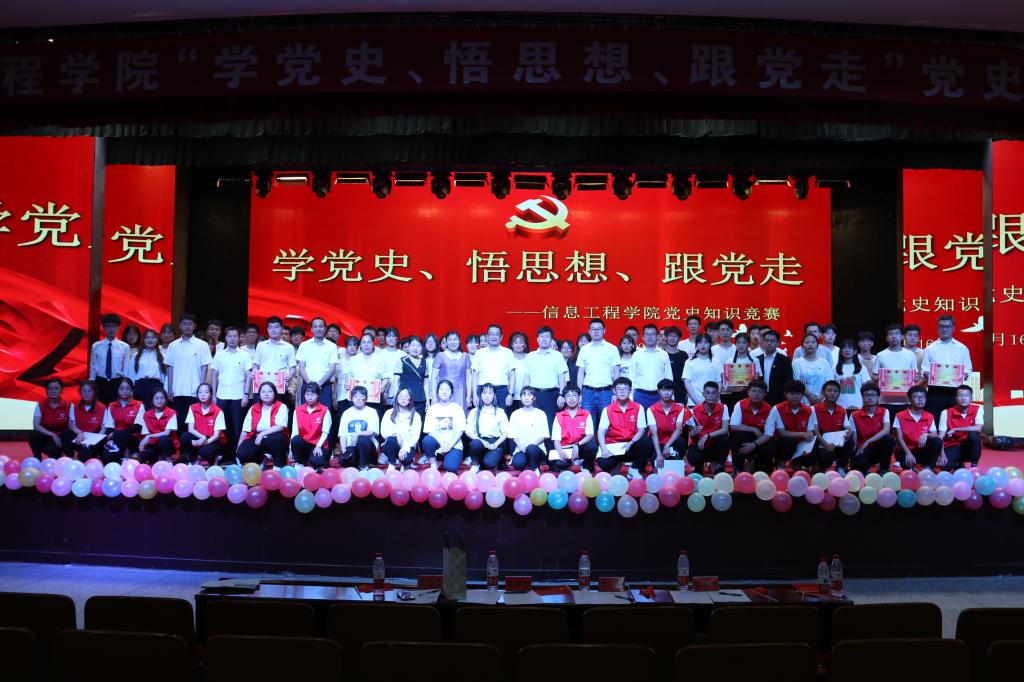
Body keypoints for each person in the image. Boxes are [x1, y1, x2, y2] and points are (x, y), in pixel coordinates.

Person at [208, 326, 253, 457]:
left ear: (239, 338)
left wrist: (246, 395)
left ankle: (236, 454)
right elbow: (214, 375)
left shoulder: (245, 355)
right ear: (226, 338)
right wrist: (214, 395)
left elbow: (248, 376)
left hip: (238, 396)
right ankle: (225, 454)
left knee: (237, 426)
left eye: (235, 336)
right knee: (223, 426)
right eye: (230, 336)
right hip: (221, 395)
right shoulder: (219, 355)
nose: (232, 338)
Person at [596, 377, 654, 477]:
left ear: (630, 391)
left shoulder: (638, 407)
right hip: (615, 446)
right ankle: (616, 465)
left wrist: (631, 442)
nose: (622, 391)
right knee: (603, 462)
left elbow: (641, 429)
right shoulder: (607, 409)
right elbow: (601, 431)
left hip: (631, 445)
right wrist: (604, 449)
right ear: (614, 391)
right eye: (619, 389)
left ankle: (634, 468)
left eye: (625, 389)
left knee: (648, 442)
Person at [165, 312, 213, 434]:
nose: (187, 326)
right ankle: (179, 446)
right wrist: (169, 388)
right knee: (179, 422)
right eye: (184, 324)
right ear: (180, 325)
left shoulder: (202, 345)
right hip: (177, 390)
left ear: (194, 326)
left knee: (194, 423)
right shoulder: (173, 345)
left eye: (190, 324)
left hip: (194, 391)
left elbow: (204, 368)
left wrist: (201, 389)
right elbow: (170, 368)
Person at [920, 315, 973, 423]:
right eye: (941, 326)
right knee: (934, 421)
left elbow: (968, 369)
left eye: (948, 326)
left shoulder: (962, 348)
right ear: (937, 328)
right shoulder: (930, 348)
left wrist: (963, 374)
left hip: (955, 392)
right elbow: (924, 369)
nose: (945, 329)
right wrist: (926, 374)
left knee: (954, 422)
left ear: (953, 328)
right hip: (935, 392)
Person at [522, 325, 570, 429]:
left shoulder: (558, 355)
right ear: (537, 339)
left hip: (552, 395)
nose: (544, 339)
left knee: (550, 424)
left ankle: (550, 441)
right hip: (534, 395)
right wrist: (525, 395)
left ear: (551, 339)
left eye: (547, 337)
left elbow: (561, 377)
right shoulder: (530, 356)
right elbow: (527, 377)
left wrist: (561, 395)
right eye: (541, 336)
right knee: (533, 424)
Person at [764, 380, 817, 471]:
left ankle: (797, 462)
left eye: (798, 394)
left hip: (801, 444)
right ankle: (781, 465)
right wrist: (803, 434)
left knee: (813, 454)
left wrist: (808, 438)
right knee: (788, 441)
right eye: (792, 394)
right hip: (782, 443)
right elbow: (782, 433)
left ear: (802, 395)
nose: (795, 396)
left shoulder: (809, 410)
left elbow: (809, 432)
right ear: (786, 394)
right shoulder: (777, 409)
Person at [577, 319, 620, 429]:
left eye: (599, 329)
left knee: (607, 425)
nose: (596, 331)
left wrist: (616, 393)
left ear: (604, 330)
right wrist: (579, 394)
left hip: (606, 392)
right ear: (589, 331)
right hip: (587, 393)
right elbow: (580, 373)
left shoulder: (612, 349)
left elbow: (616, 372)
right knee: (588, 426)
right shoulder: (584, 349)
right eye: (593, 329)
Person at [237, 382, 289, 467]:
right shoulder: (253, 408)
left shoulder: (281, 406)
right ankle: (262, 459)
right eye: (263, 392)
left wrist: (262, 434)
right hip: (257, 438)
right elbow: (245, 430)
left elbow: (280, 427)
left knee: (277, 439)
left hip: (273, 438)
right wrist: (238, 448)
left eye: (270, 391)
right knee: (242, 453)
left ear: (275, 393)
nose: (266, 394)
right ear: (259, 394)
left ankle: (278, 464)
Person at [729, 379, 776, 473]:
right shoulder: (740, 404)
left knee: (769, 444)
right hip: (745, 434)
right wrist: (754, 429)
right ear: (748, 392)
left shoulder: (770, 409)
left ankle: (761, 470)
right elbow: (734, 425)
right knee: (738, 436)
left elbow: (769, 434)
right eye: (754, 391)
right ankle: (738, 468)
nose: (757, 394)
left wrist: (754, 444)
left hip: (760, 437)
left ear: (765, 394)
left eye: (760, 392)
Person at [684, 381, 730, 474]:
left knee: (725, 439)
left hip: (714, 444)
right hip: (699, 445)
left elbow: (725, 430)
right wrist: (695, 431)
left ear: (718, 394)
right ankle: (699, 467)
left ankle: (718, 465)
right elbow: (692, 435)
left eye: (713, 393)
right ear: (703, 394)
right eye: (708, 393)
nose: (711, 396)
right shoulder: (693, 411)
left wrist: (707, 435)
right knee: (693, 457)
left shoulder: (723, 407)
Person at [874, 324, 919, 419]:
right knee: (887, 426)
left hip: (906, 400)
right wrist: (875, 378)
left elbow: (915, 375)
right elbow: (874, 376)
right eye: (890, 334)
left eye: (897, 333)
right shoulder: (880, 355)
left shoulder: (910, 354)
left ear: (902, 336)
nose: (894, 336)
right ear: (886, 338)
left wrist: (916, 378)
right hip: (885, 401)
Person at [849, 383, 895, 473]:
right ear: (862, 397)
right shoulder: (854, 415)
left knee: (889, 439)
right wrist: (853, 455)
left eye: (873, 395)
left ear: (878, 398)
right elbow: (854, 438)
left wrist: (868, 441)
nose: (870, 398)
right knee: (859, 467)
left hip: (879, 449)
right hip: (863, 449)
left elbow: (886, 430)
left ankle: (884, 469)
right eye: (867, 395)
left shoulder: (884, 411)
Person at [253, 316, 297, 411]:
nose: (273, 330)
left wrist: (290, 375)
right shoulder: (261, 346)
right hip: (262, 387)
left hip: (280, 387)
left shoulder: (289, 347)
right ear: (267, 329)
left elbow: (293, 368)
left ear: (281, 328)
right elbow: (256, 365)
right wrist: (254, 373)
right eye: (270, 327)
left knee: (280, 414)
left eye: (276, 327)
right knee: (261, 413)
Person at [422, 380, 467, 471]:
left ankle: (446, 460)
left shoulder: (458, 408)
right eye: (441, 389)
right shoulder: (432, 409)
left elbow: (460, 430)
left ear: (451, 393)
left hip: (454, 444)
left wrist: (450, 445)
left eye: (447, 389)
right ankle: (434, 463)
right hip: (438, 443)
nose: (444, 391)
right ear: (437, 392)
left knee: (450, 468)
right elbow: (429, 430)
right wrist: (442, 443)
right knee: (427, 441)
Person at [894, 386, 943, 469]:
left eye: (923, 397)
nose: (920, 399)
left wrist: (926, 434)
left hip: (922, 450)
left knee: (937, 441)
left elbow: (935, 434)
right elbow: (899, 437)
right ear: (910, 400)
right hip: (905, 451)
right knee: (906, 467)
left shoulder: (929, 416)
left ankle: (928, 467)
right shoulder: (899, 415)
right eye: (916, 397)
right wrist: (908, 453)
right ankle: (905, 463)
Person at [551, 383, 597, 471]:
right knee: (559, 464)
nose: (571, 399)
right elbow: (556, 440)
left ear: (579, 397)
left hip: (581, 447)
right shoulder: (559, 416)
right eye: (568, 396)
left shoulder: (586, 414)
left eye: (574, 396)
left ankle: (586, 466)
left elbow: (590, 435)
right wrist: (560, 452)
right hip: (566, 448)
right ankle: (570, 463)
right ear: (564, 399)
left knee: (592, 446)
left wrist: (577, 445)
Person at [471, 324, 516, 411]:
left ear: (501, 337)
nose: (494, 337)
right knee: (482, 416)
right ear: (487, 336)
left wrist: (511, 394)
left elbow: (512, 375)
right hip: (483, 391)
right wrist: (475, 395)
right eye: (491, 334)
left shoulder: (508, 353)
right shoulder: (479, 353)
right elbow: (475, 375)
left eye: (496, 334)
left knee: (502, 417)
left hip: (502, 391)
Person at [346, 333, 391, 421]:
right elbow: (349, 376)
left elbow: (386, 377)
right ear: (360, 345)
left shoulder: (379, 359)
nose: (366, 345)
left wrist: (382, 387)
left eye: (369, 342)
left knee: (373, 420)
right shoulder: (354, 359)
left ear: (373, 344)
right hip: (357, 398)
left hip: (374, 397)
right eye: (364, 342)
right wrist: (347, 384)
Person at [465, 383, 509, 471]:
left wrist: (496, 444)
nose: (487, 396)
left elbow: (506, 432)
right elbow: (468, 431)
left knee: (489, 463)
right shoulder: (474, 411)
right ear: (481, 395)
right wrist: (483, 442)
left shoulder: (500, 412)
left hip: (495, 442)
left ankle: (498, 459)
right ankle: (476, 464)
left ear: (494, 395)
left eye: (490, 393)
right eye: (484, 393)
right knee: (475, 444)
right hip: (480, 441)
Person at [296, 317, 337, 410]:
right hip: (307, 385)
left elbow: (332, 369)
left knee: (325, 414)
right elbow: (301, 368)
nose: (318, 329)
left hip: (325, 386)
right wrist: (310, 384)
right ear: (311, 329)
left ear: (325, 328)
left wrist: (319, 384)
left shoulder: (332, 346)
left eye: (321, 326)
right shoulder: (304, 345)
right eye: (315, 327)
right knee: (306, 413)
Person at [814, 381, 855, 474]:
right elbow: (815, 431)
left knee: (850, 440)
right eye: (829, 390)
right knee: (826, 456)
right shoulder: (814, 409)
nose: (832, 393)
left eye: (835, 391)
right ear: (823, 392)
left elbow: (848, 427)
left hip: (836, 443)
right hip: (821, 443)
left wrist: (850, 432)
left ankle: (840, 467)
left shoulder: (842, 410)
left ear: (839, 394)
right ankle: (820, 467)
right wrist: (826, 445)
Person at [938, 385, 983, 470]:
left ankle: (974, 467)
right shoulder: (945, 413)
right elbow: (940, 437)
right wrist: (942, 455)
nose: (963, 398)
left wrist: (955, 429)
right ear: (955, 398)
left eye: (967, 396)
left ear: (971, 398)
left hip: (968, 446)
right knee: (945, 466)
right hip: (952, 444)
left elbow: (978, 428)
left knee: (974, 435)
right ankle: (959, 465)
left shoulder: (978, 409)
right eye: (961, 395)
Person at [336, 385, 380, 469]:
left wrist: (357, 434)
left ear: (366, 399)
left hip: (368, 448)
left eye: (362, 396)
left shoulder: (372, 412)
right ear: (352, 398)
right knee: (343, 461)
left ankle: (364, 465)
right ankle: (357, 462)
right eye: (355, 396)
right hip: (352, 446)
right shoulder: (346, 413)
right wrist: (344, 451)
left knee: (361, 439)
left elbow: (372, 431)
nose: (358, 399)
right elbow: (342, 434)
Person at [90, 313, 130, 405]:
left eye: (114, 326)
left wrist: (126, 384)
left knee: (116, 408)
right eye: (108, 326)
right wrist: (91, 383)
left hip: (117, 382)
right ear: (103, 328)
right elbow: (93, 366)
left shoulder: (124, 347)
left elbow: (126, 368)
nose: (111, 329)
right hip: (100, 381)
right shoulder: (96, 346)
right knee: (100, 408)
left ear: (118, 328)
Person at [290, 382, 333, 470]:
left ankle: (323, 460)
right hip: (304, 445)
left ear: (318, 395)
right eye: (307, 394)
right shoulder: (298, 410)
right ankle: (300, 462)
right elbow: (294, 432)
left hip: (319, 445)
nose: (310, 397)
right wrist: (291, 448)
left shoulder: (325, 410)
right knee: (296, 440)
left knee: (316, 462)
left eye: (313, 395)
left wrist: (318, 446)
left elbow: (325, 432)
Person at [648, 379, 689, 468]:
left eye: (669, 390)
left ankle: (678, 461)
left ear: (673, 391)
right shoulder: (651, 409)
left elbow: (679, 430)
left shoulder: (680, 409)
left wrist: (667, 445)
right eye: (663, 390)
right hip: (658, 443)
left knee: (682, 441)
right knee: (657, 464)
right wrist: (659, 454)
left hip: (672, 442)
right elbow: (654, 434)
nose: (666, 393)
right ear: (659, 391)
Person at [181, 383, 225, 465]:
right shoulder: (193, 407)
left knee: (204, 451)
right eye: (200, 392)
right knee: (185, 436)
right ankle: (193, 460)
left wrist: (205, 442)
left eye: (206, 392)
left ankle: (214, 459)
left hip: (213, 440)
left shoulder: (218, 411)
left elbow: (216, 436)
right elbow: (190, 429)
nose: (203, 395)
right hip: (200, 436)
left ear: (211, 395)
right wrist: (202, 437)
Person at [630, 324, 672, 411]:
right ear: (643, 337)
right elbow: (632, 377)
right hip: (640, 395)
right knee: (641, 419)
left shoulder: (664, 354)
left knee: (660, 419)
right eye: (647, 334)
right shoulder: (636, 354)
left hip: (659, 395)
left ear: (657, 336)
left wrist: (671, 395)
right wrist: (630, 396)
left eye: (653, 334)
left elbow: (668, 376)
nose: (650, 336)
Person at [507, 386, 549, 472]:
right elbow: (513, 434)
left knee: (532, 449)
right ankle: (528, 462)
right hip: (521, 449)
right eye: (524, 395)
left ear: (534, 398)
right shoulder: (515, 414)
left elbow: (544, 435)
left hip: (536, 448)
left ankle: (535, 468)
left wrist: (531, 445)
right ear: (520, 398)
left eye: (529, 395)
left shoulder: (541, 414)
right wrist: (520, 446)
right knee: (517, 463)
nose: (526, 398)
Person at [101, 378, 143, 461]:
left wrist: (118, 434)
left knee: (120, 435)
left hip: (132, 439)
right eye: (122, 388)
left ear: (131, 390)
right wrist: (112, 438)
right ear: (117, 390)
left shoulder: (139, 404)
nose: (124, 391)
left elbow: (137, 427)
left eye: (127, 388)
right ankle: (121, 455)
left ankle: (128, 453)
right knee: (106, 458)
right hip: (115, 439)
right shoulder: (112, 405)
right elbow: (109, 427)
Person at [62, 380, 107, 460]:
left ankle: (92, 454)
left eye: (89, 391)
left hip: (93, 440)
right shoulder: (74, 406)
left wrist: (91, 442)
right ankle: (70, 457)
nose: (87, 393)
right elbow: (72, 426)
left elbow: (103, 430)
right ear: (80, 393)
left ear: (94, 392)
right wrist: (80, 433)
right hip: (79, 437)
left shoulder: (103, 408)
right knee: (66, 433)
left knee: (83, 456)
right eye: (84, 391)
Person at [381, 388, 424, 469]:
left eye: (406, 396)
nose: (403, 399)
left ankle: (405, 463)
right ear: (397, 398)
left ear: (410, 398)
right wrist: (396, 435)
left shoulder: (416, 416)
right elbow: (383, 432)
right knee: (392, 440)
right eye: (401, 396)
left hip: (407, 446)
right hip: (390, 445)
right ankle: (392, 464)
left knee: (407, 459)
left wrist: (404, 448)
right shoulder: (388, 413)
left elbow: (415, 437)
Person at [720, 332, 761, 410]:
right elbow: (726, 383)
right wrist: (724, 378)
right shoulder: (729, 360)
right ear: (735, 344)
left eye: (744, 343)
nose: (741, 345)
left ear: (748, 344)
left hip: (749, 396)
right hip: (732, 396)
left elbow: (757, 380)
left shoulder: (755, 361)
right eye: (738, 342)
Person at [29, 378, 69, 459]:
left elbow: (71, 426)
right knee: (33, 434)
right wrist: (52, 434)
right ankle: (37, 456)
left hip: (59, 438)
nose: (53, 391)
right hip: (46, 435)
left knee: (51, 450)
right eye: (50, 389)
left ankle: (60, 451)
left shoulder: (68, 405)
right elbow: (36, 425)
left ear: (61, 390)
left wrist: (63, 440)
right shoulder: (40, 405)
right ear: (46, 391)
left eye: (56, 388)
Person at [432, 331, 472, 413]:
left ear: (459, 341)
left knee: (460, 414)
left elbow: (468, 377)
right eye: (450, 340)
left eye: (455, 339)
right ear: (446, 342)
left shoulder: (465, 356)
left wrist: (468, 396)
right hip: (444, 390)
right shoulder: (440, 356)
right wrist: (434, 396)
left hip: (461, 391)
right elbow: (434, 377)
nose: (453, 342)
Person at [135, 388, 177, 464]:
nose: (159, 401)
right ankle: (156, 458)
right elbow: (146, 435)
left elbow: (167, 433)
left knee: (163, 439)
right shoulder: (146, 415)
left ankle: (168, 460)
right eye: (156, 398)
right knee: (144, 456)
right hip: (153, 443)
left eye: (162, 398)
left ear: (166, 400)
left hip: (167, 443)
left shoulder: (172, 413)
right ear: (152, 400)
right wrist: (143, 444)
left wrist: (149, 436)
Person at [791, 334, 835, 404]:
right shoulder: (797, 363)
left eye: (813, 342)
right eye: (807, 342)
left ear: (817, 345)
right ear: (802, 346)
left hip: (822, 401)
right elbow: (797, 382)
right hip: (803, 402)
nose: (810, 344)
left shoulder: (824, 362)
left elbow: (829, 381)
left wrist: (822, 396)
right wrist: (809, 395)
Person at [682, 334, 723, 407]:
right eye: (700, 343)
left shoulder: (716, 362)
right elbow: (687, 383)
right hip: (693, 403)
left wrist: (716, 399)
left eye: (706, 342)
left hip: (714, 403)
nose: (703, 345)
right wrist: (696, 401)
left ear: (710, 345)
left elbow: (719, 382)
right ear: (696, 345)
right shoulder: (689, 362)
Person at [130, 329, 165, 410]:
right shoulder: (136, 355)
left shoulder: (162, 355)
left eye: (153, 337)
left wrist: (164, 391)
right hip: (140, 387)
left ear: (157, 339)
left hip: (156, 387)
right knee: (140, 412)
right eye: (147, 337)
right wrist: (131, 390)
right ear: (143, 340)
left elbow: (165, 376)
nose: (150, 340)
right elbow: (131, 374)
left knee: (154, 412)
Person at [397, 336, 431, 419]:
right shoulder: (402, 360)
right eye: (413, 345)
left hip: (420, 399)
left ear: (422, 348)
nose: (415, 348)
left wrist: (427, 400)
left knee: (419, 422)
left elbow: (426, 383)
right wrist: (396, 398)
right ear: (408, 347)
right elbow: (396, 381)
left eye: (418, 346)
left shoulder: (424, 362)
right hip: (405, 399)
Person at [756, 329, 793, 405]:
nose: (769, 343)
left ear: (778, 343)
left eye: (772, 341)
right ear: (763, 342)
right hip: (760, 397)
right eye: (766, 340)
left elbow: (788, 381)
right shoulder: (757, 359)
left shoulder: (785, 360)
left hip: (779, 398)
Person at [835, 340, 873, 410]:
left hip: (858, 405)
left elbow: (867, 386)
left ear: (855, 352)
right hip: (839, 406)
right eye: (844, 348)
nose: (847, 350)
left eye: (850, 348)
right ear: (841, 352)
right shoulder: (835, 367)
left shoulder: (861, 367)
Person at [379, 327, 407, 407]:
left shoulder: (403, 355)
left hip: (399, 390)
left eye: (393, 336)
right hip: (384, 391)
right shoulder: (380, 354)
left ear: (397, 338)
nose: (391, 339)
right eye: (388, 336)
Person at [664, 326, 688, 406]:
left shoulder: (683, 355)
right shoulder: (661, 354)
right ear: (666, 337)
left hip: (680, 392)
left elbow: (686, 376)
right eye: (670, 336)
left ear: (679, 338)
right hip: (664, 391)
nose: (672, 338)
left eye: (675, 336)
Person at [508, 332, 530, 412]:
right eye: (516, 343)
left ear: (525, 345)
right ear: (512, 345)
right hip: (510, 396)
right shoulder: (507, 358)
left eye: (521, 342)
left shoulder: (530, 358)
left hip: (527, 397)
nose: (518, 345)